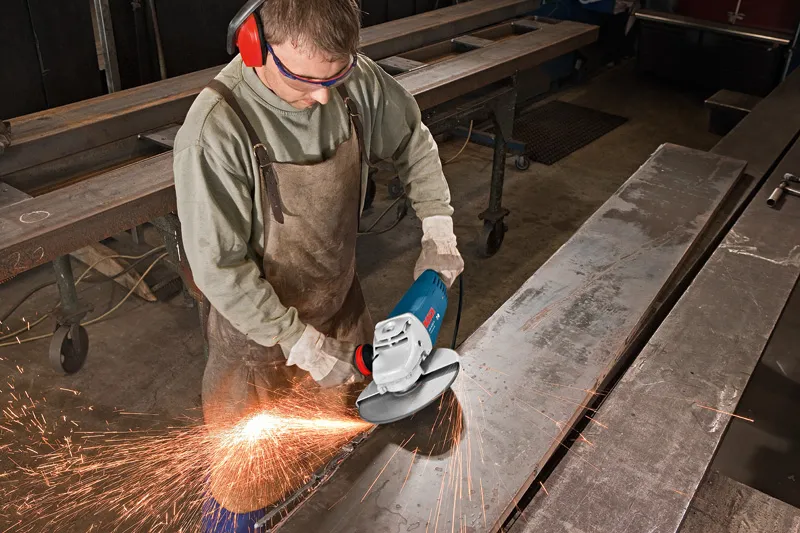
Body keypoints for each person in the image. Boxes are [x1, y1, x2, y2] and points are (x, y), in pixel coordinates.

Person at [173, 0, 464, 530]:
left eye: (337, 75)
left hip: (342, 317)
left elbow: (412, 140)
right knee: (244, 483)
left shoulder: (352, 83)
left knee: (337, 469)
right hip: (258, 347)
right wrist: (298, 342)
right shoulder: (216, 129)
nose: (324, 96)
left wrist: (438, 228)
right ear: (254, 45)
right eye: (305, 80)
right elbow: (219, 268)